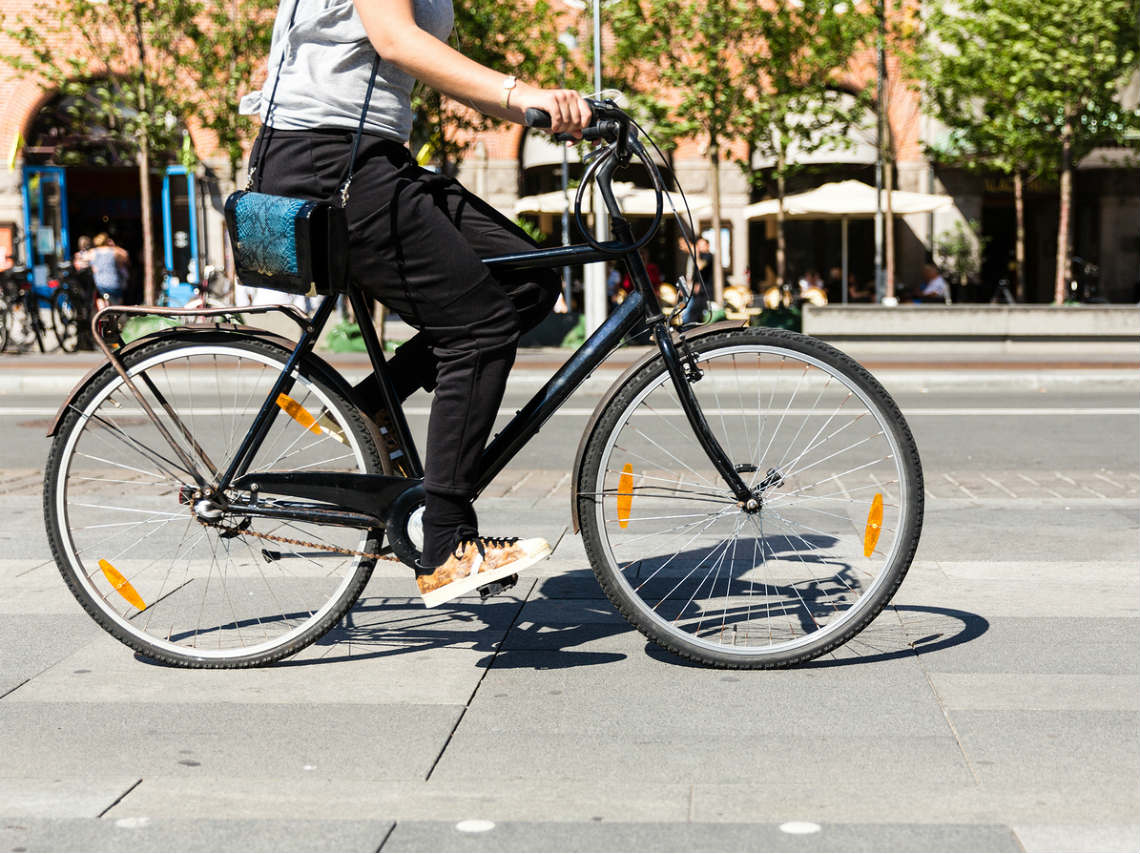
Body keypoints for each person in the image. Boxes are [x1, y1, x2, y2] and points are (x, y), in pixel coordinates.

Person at [242, 0, 592, 607]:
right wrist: (522, 89)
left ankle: (370, 410)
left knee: (530, 280)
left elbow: (437, 68)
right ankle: (447, 546)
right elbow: (399, 41)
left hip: (372, 155)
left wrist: (547, 110)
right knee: (479, 329)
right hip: (325, 160)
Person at [89, 233, 128, 305]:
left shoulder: (93, 252)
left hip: (100, 285)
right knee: (117, 304)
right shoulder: (114, 251)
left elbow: (82, 259)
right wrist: (114, 246)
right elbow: (125, 255)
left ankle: (102, 312)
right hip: (114, 284)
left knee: (99, 297)